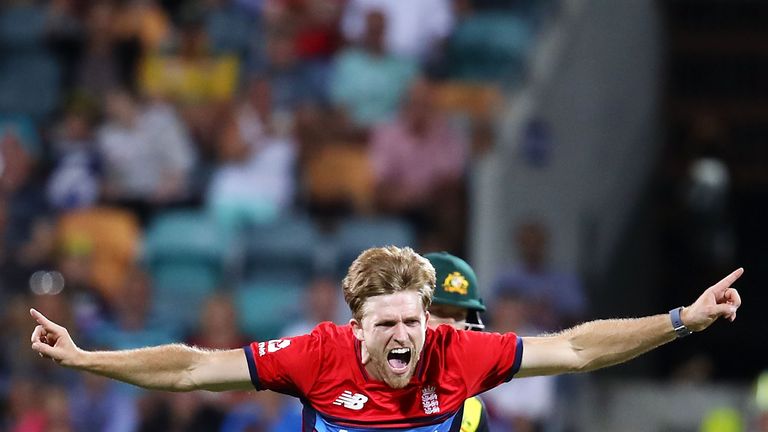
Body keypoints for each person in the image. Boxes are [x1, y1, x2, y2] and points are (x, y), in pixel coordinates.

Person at [29, 246, 743, 431]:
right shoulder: (316, 355)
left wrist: (682, 318)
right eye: (389, 323)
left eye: (415, 319)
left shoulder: (458, 352)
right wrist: (88, 358)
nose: (406, 335)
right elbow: (190, 369)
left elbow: (579, 348)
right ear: (356, 325)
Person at [423, 252, 488, 432]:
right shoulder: (359, 390)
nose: (450, 326)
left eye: (458, 316)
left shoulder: (471, 410)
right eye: (438, 311)